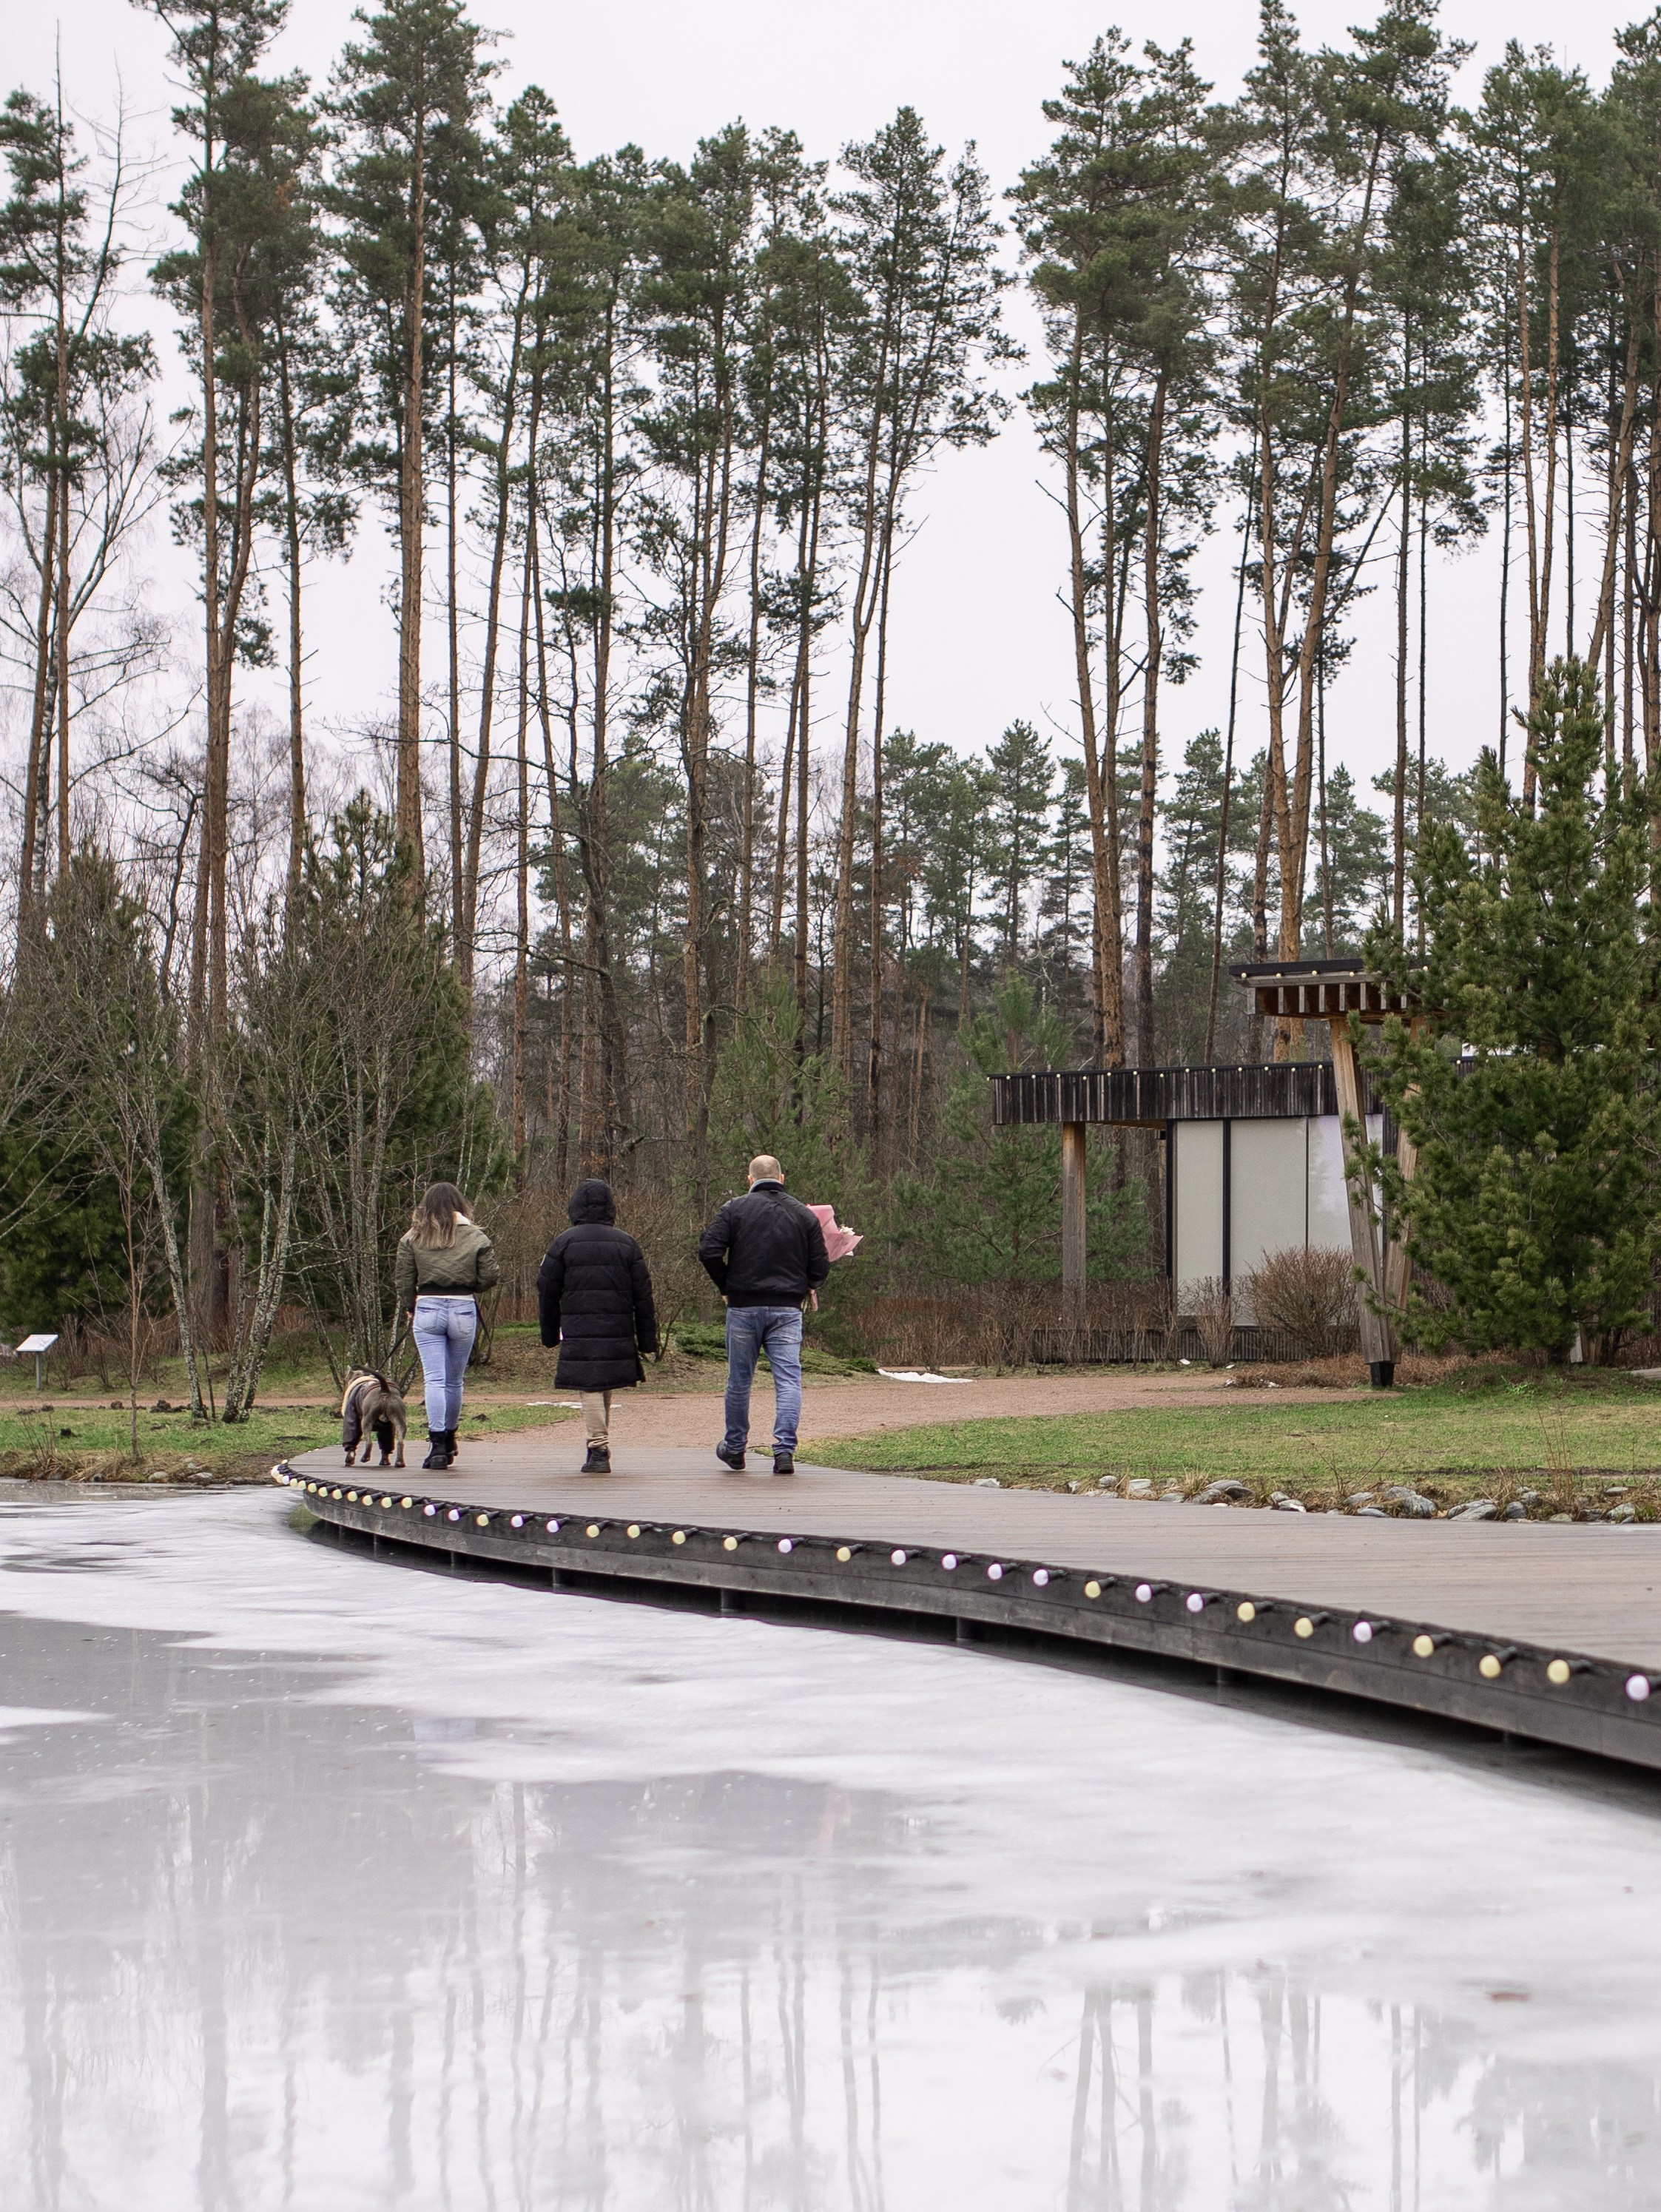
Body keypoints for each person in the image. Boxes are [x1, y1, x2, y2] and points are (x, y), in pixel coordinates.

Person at [698, 1154, 829, 1474]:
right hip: (787, 1308)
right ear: (782, 1179)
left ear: (749, 1179)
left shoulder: (734, 1209)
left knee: (739, 1381)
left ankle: (735, 1447)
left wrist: (725, 1284)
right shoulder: (804, 1215)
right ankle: (784, 1450)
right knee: (788, 1380)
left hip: (743, 1305)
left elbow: (708, 1250)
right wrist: (807, 1284)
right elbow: (821, 1265)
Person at [537, 1179, 657, 1474]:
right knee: (600, 1385)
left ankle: (598, 1448)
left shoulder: (564, 1242)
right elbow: (643, 1295)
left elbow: (546, 1290)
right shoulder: (626, 1243)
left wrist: (550, 1334)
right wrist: (647, 1341)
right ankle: (599, 1445)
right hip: (617, 1325)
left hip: (579, 1325)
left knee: (589, 1384)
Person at [395, 1182, 500, 1471]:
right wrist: (469, 1286)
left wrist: (409, 1306)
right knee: (455, 1381)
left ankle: (437, 1444)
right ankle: (451, 1438)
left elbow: (404, 1279)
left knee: (434, 1380)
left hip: (427, 1307)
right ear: (459, 1205)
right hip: (463, 1308)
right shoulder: (476, 1236)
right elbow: (490, 1276)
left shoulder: (412, 1238)